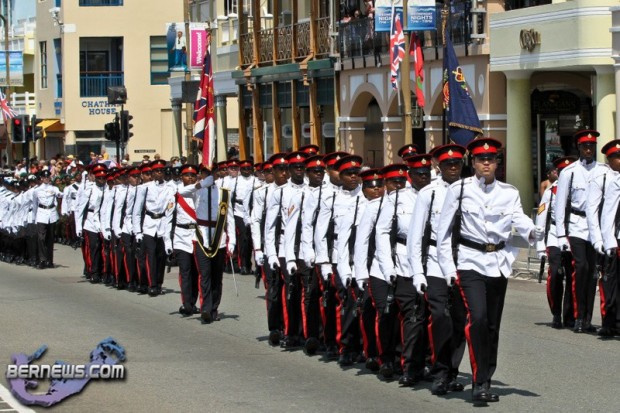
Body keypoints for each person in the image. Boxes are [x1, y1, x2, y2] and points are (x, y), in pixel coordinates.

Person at [436, 138, 543, 403]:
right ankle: (478, 381)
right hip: (469, 261)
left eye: (491, 159)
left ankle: (486, 378)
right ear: (472, 163)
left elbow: (518, 216)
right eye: (481, 159)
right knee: (479, 318)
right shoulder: (459, 190)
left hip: (498, 262)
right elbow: (443, 234)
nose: (486, 163)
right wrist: (448, 268)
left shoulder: (509, 192)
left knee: (492, 326)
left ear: (497, 163)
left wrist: (532, 229)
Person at [408, 144, 467, 396]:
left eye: (456, 164)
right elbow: (415, 235)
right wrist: (417, 272)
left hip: (465, 260)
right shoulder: (428, 194)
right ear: (439, 167)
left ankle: (453, 371)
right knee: (440, 315)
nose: (453, 168)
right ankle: (440, 370)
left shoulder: (471, 190)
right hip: (434, 261)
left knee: (460, 319)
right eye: (447, 165)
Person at [554, 130, 609, 334]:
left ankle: (587, 319)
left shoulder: (603, 171)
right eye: (585, 146)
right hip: (576, 225)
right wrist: (561, 235)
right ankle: (577, 317)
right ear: (578, 148)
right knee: (581, 268)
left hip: (596, 228)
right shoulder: (569, 172)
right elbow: (560, 206)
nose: (588, 149)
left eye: (591, 146)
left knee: (592, 273)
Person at [536, 157, 577, 329]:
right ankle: (556, 314)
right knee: (556, 274)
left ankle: (570, 316)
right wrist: (539, 246)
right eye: (561, 171)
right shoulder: (550, 192)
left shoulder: (578, 190)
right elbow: (541, 218)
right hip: (553, 236)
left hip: (573, 235)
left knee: (573, 276)